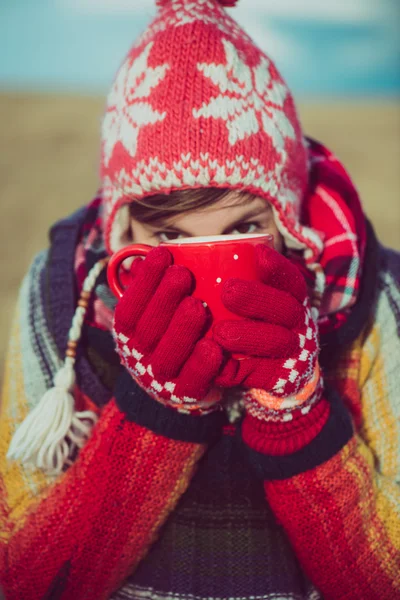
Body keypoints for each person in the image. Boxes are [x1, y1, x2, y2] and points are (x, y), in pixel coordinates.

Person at [0, 0, 399, 598]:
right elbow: (27, 579)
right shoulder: (63, 296)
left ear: (286, 218)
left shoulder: (369, 295)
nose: (209, 254)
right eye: (168, 237)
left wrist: (296, 411)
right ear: (121, 231)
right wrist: (157, 411)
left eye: (242, 228)